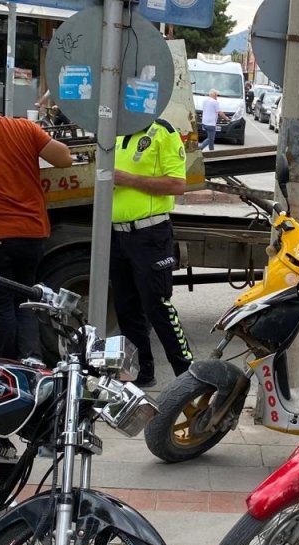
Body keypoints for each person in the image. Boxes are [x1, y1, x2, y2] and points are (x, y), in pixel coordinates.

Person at [0, 78, 73, 360]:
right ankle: (32, 360)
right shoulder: (23, 127)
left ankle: (9, 367)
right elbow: (65, 158)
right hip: (31, 232)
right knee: (26, 300)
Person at [112, 118, 191, 386]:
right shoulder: (117, 131)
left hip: (149, 233)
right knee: (126, 309)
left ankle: (187, 375)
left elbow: (177, 184)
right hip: (118, 234)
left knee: (157, 307)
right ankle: (141, 372)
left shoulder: (163, 132)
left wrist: (128, 179)